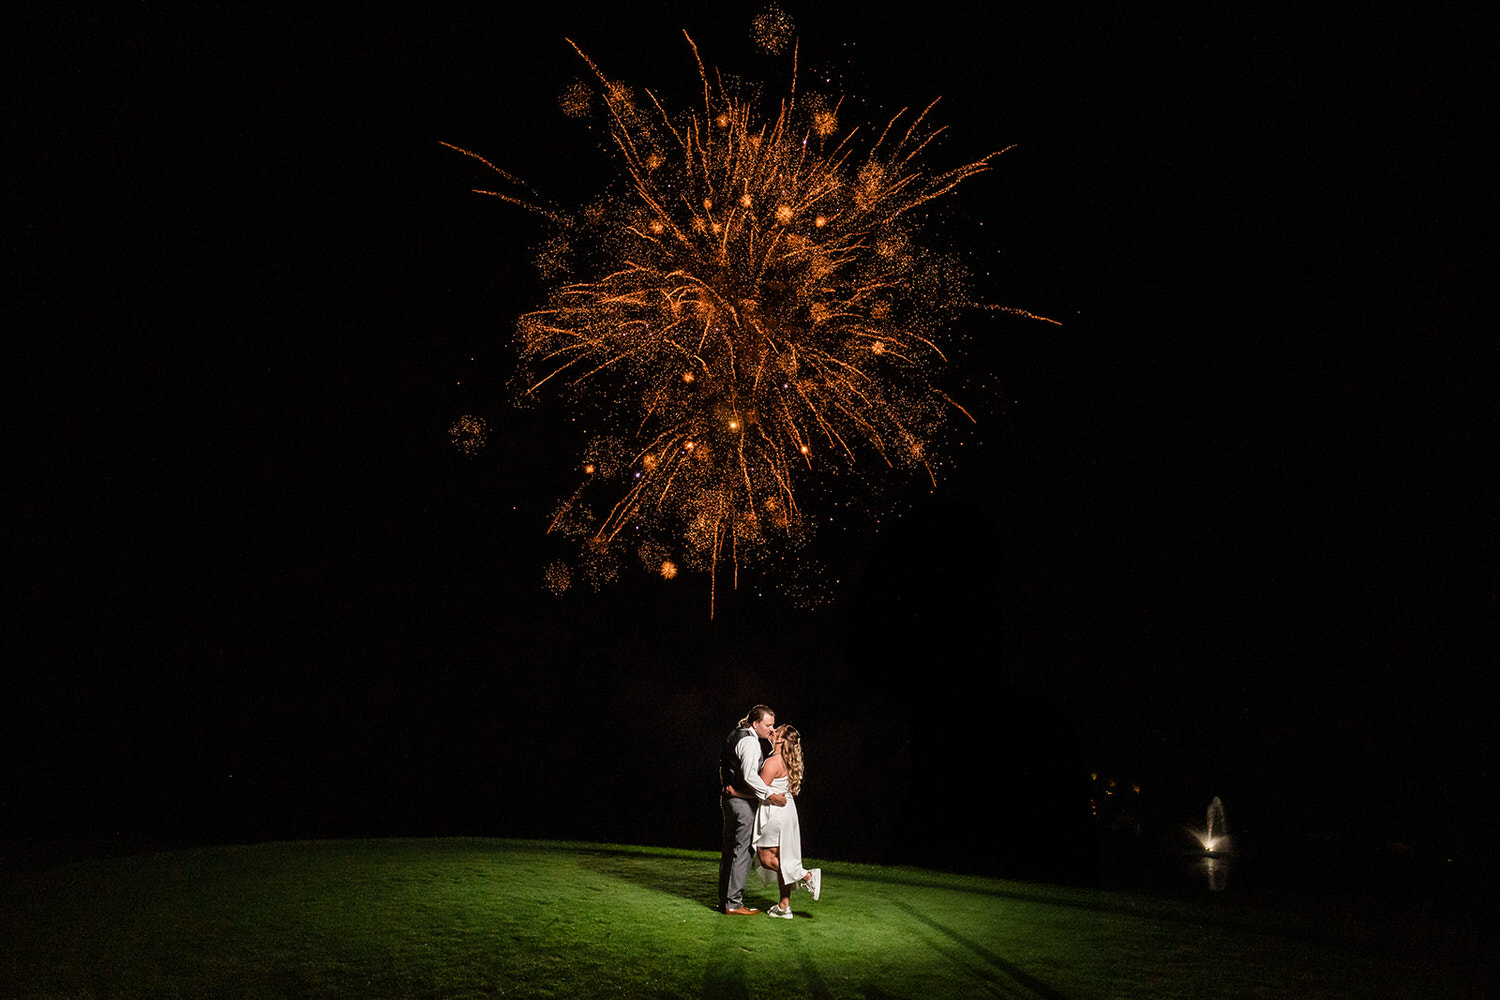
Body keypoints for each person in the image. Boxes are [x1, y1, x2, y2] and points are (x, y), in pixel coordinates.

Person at [748, 724, 822, 918]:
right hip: (788, 811)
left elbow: (759, 790)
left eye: (776, 731)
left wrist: (736, 791)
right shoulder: (789, 760)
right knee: (781, 858)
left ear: (781, 740)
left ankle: (805, 874)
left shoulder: (772, 762)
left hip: (775, 812)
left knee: (766, 858)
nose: (772, 733)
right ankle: (784, 906)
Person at [718, 705, 786, 915]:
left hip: (730, 800)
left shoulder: (736, 735)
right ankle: (734, 903)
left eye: (773, 725)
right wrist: (770, 795)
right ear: (756, 723)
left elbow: (723, 766)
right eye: (768, 725)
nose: (772, 729)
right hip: (741, 803)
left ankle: (725, 901)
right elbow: (749, 776)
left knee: (730, 849)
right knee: (743, 849)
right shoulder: (750, 742)